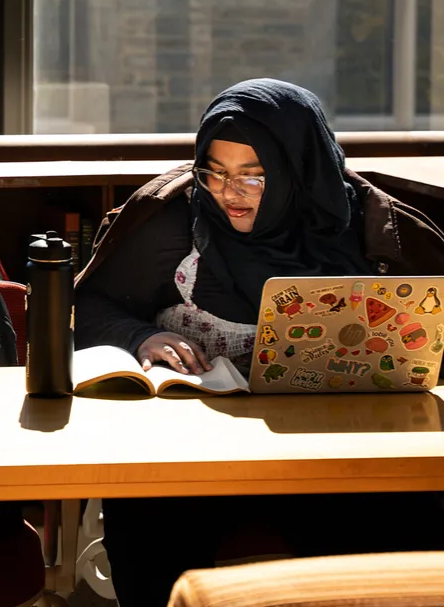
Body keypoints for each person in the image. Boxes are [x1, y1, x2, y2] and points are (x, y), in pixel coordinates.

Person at [74, 78, 444, 607]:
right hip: (197, 458)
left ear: (298, 168)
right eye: (215, 171)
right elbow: (89, 306)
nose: (229, 192)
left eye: (254, 176)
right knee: (149, 518)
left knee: (400, 527)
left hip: (334, 453)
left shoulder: (373, 227)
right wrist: (142, 335)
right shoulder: (174, 221)